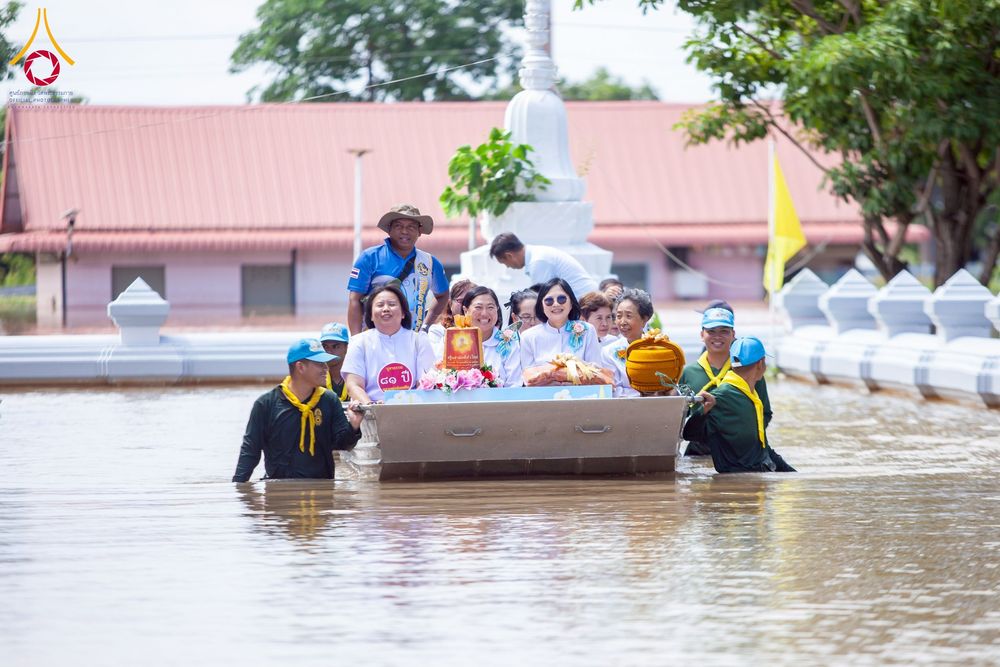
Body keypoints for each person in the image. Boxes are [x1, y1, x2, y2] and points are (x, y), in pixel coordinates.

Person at [232, 338, 363, 482]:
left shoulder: (329, 400)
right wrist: (238, 490)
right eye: (319, 364)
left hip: (321, 490)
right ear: (300, 367)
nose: (326, 368)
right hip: (279, 490)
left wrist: (354, 426)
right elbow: (250, 452)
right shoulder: (266, 404)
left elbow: (342, 445)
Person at [682, 336, 795, 473]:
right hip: (738, 483)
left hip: (753, 477)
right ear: (761, 363)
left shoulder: (749, 394)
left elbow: (760, 447)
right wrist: (703, 411)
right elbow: (689, 434)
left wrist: (789, 472)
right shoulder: (723, 395)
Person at [678, 307, 770, 456]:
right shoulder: (688, 373)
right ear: (702, 335)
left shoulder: (750, 369)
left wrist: (743, 438)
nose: (717, 336)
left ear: (733, 335)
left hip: (739, 453)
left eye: (724, 331)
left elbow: (765, 412)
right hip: (699, 453)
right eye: (711, 331)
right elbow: (680, 417)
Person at [346, 203, 449, 335]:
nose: (405, 231)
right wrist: (356, 339)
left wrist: (426, 325)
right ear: (389, 229)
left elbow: (443, 295)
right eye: (398, 226)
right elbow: (354, 300)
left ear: (419, 231)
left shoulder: (430, 262)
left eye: (411, 227)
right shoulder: (370, 257)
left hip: (413, 339)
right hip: (374, 338)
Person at [341, 283, 437, 403]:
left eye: (392, 304)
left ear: (403, 313)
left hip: (412, 413)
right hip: (372, 414)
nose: (386, 309)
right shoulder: (359, 342)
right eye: (380, 305)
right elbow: (353, 385)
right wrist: (373, 408)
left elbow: (427, 382)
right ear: (370, 315)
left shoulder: (419, 340)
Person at [520, 278, 602, 369]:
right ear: (541, 306)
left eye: (561, 299)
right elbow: (528, 377)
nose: (555, 304)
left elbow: (596, 370)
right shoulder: (528, 337)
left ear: (571, 302)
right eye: (549, 300)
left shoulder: (588, 330)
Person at [489, 232, 599, 299]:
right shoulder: (538, 255)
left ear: (509, 255)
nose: (507, 267)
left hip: (585, 302)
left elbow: (541, 299)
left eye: (504, 263)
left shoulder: (538, 261)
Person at [461, 285, 523, 387]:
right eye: (478, 307)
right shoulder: (451, 340)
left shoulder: (509, 343)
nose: (484, 313)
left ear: (497, 309)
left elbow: (514, 385)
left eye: (490, 307)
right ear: (465, 310)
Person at [600, 288, 654, 397]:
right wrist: (643, 395)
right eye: (618, 316)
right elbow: (612, 389)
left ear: (644, 319)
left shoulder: (660, 348)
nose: (622, 322)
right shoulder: (608, 352)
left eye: (628, 316)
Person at [426, 279, 476, 359]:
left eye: (471, 301)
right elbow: (435, 359)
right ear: (450, 303)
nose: (465, 305)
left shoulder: (484, 329)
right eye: (461, 301)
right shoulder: (437, 330)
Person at [319, 322, 350, 401]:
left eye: (335, 346)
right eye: (325, 346)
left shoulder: (358, 375)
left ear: (346, 347)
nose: (329, 351)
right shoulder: (315, 378)